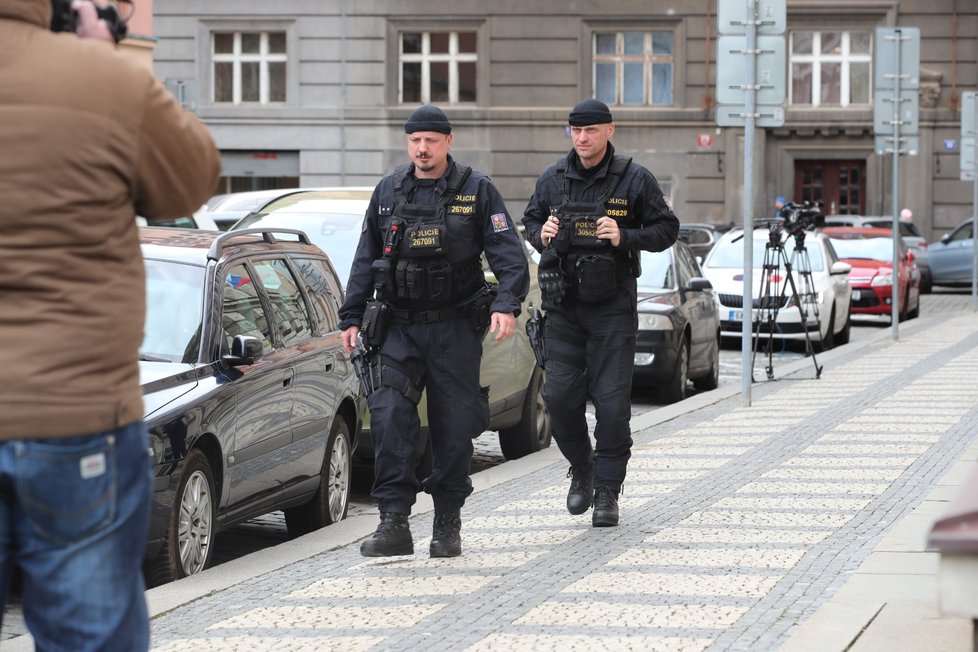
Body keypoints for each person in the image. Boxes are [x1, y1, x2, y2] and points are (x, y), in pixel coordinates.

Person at [0, 1, 221, 649]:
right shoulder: (103, 80)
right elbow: (192, 178)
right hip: (75, 418)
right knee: (89, 636)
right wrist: (105, 56)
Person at [339, 105, 529, 558]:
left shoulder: (476, 190)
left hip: (454, 327)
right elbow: (366, 257)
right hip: (398, 328)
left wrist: (507, 303)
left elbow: (508, 253)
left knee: (454, 426)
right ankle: (393, 523)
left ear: (448, 141)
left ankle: (447, 521)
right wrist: (350, 316)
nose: (422, 148)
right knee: (388, 418)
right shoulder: (388, 191)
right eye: (415, 140)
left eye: (430, 140)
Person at [522, 99, 679, 527]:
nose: (582, 138)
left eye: (590, 130)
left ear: (610, 130)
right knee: (558, 398)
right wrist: (541, 233)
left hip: (612, 309)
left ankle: (608, 491)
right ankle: (584, 467)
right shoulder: (553, 178)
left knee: (612, 407)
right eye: (575, 131)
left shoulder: (634, 178)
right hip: (563, 308)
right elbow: (529, 222)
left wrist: (624, 235)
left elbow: (667, 229)